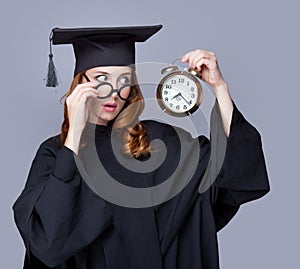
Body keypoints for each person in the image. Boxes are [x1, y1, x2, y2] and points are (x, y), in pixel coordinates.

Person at [13, 25, 270, 269]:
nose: (114, 92)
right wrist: (75, 137)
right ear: (80, 83)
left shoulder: (157, 142)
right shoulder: (57, 153)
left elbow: (232, 174)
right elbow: (45, 241)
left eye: (124, 80)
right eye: (101, 78)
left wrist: (219, 87)